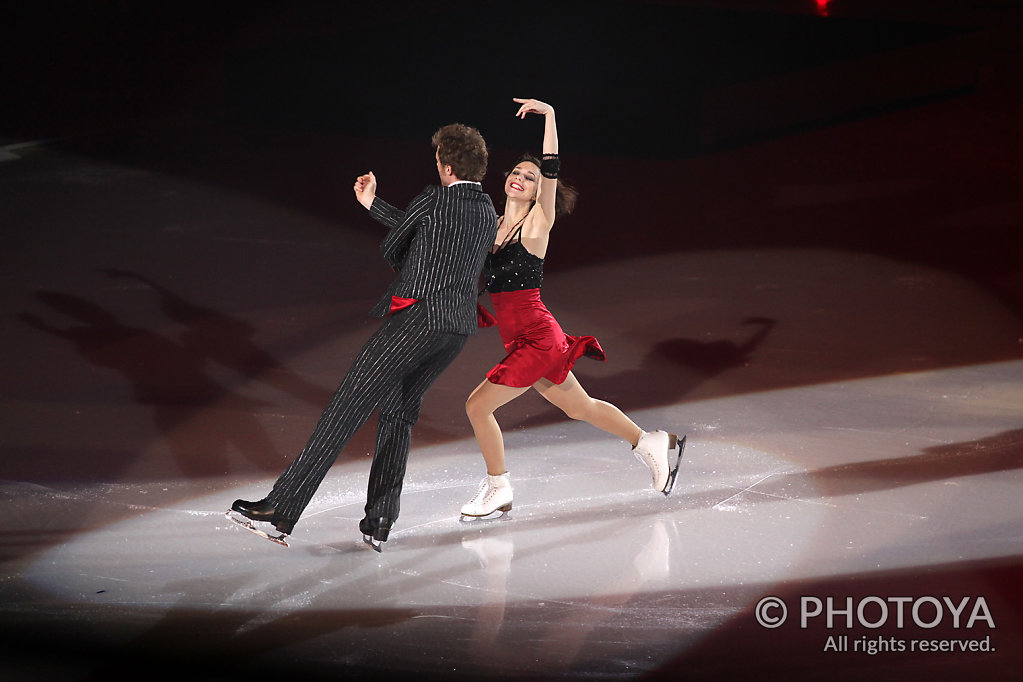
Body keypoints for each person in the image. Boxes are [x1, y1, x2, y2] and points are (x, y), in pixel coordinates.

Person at [230, 123, 498, 550]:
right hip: (456, 328)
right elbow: (428, 237)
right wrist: (374, 204)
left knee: (345, 407)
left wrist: (397, 233)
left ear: (446, 166)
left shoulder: (433, 198)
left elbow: (396, 245)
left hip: (416, 321)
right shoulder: (486, 210)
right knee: (398, 414)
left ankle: (280, 512)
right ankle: (380, 521)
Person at [460, 98, 684, 518]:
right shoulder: (491, 225)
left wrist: (551, 117)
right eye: (516, 172)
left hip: (537, 338)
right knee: (580, 407)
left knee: (477, 405)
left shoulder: (537, 223)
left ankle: (498, 488)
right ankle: (648, 441)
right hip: (525, 337)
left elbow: (550, 169)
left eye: (530, 177)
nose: (522, 178)